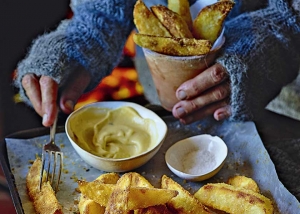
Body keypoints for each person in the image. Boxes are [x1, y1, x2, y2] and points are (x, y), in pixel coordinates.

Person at [14, 0, 300, 127]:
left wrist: (277, 38)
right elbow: (104, 13)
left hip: (283, 106)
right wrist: (77, 43)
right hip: (160, 95)